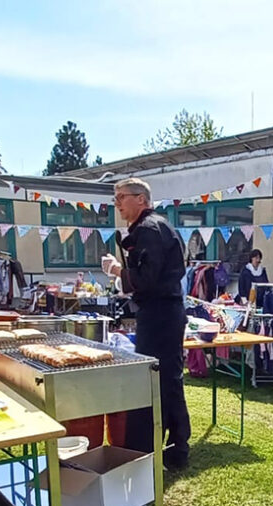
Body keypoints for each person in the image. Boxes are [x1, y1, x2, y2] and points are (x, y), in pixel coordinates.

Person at [102, 178, 191, 470]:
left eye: (121, 197)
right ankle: (173, 449)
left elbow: (146, 279)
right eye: (115, 198)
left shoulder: (150, 229)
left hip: (160, 313)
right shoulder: (152, 227)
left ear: (141, 199)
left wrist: (118, 271)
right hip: (162, 311)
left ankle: (158, 449)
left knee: (157, 380)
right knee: (167, 379)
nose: (116, 204)